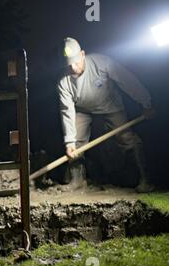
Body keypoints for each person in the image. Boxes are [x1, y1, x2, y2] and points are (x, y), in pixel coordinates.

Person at [57, 37, 155, 193]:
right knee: (75, 143)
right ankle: (77, 181)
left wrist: (146, 103)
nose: (74, 68)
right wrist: (69, 142)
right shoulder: (64, 82)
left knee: (126, 138)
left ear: (82, 54)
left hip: (110, 105)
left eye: (76, 62)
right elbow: (66, 111)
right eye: (69, 64)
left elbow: (127, 81)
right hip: (82, 109)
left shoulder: (102, 63)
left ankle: (145, 179)